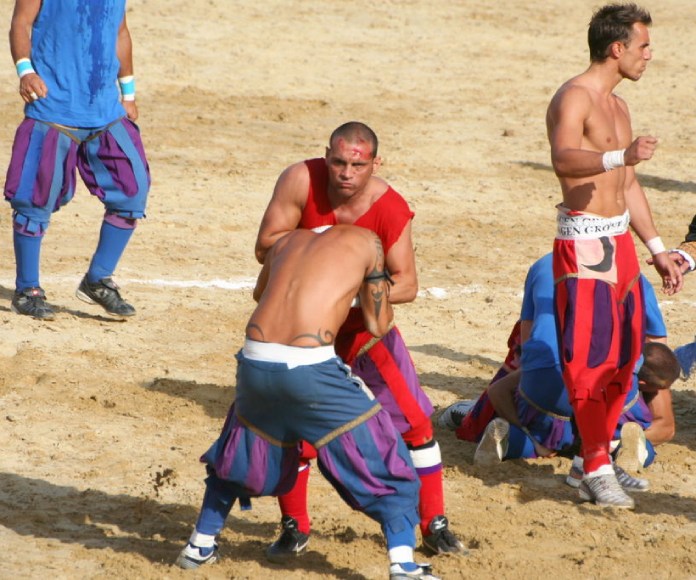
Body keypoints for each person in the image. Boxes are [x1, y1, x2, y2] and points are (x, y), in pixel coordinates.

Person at [176, 226, 439, 580]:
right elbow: (378, 325)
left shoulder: (286, 240)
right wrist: (356, 293)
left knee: (241, 449)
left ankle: (199, 544)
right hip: (310, 369)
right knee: (384, 454)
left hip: (253, 363)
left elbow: (260, 293)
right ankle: (404, 564)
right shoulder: (368, 242)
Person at [254, 122, 464, 558]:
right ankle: (295, 525)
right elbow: (265, 246)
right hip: (302, 335)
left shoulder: (389, 208)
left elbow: (406, 284)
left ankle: (434, 522)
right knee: (293, 433)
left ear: (375, 163)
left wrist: (349, 291)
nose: (345, 173)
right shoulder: (299, 179)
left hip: (363, 335)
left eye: (357, 165)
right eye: (337, 162)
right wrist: (329, 247)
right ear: (325, 155)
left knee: (418, 424)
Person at [545, 2, 682, 509]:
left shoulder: (620, 106)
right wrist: (619, 156)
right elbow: (562, 159)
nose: (649, 56)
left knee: (624, 360)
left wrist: (658, 248)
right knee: (589, 362)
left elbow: (627, 184)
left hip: (620, 243)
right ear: (616, 48)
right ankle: (598, 466)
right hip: (583, 243)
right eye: (643, 46)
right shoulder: (574, 97)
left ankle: (588, 461)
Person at [440, 254, 677, 474]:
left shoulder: (544, 264)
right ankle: (624, 446)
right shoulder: (634, 273)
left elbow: (526, 343)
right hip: (610, 379)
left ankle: (515, 440)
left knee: (542, 435)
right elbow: (656, 349)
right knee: (627, 414)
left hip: (547, 376)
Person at [4, 0, 150, 320]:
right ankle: (27, 289)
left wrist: (128, 93)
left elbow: (120, 32)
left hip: (107, 111)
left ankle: (98, 280)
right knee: (32, 201)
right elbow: (20, 24)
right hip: (52, 110)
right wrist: (25, 72)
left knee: (132, 191)